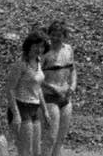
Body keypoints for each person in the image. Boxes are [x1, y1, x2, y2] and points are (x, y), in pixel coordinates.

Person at [5, 31, 47, 156]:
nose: (39, 49)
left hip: (34, 107)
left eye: (42, 46)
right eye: (36, 46)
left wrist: (45, 110)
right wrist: (16, 114)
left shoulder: (38, 61)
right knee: (25, 150)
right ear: (29, 46)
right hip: (21, 106)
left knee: (36, 150)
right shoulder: (21, 64)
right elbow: (10, 89)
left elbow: (38, 88)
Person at [41, 21, 75, 156]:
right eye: (53, 35)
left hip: (66, 96)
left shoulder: (68, 49)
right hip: (49, 97)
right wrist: (52, 87)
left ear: (64, 36)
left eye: (59, 35)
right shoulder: (44, 52)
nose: (55, 38)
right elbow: (35, 76)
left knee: (61, 138)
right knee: (50, 137)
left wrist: (73, 85)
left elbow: (72, 69)